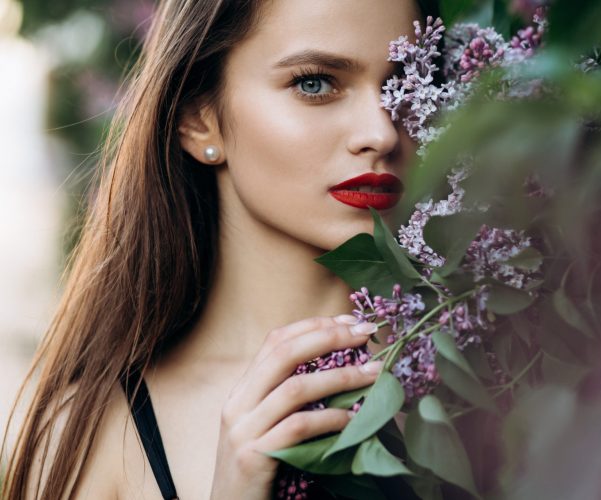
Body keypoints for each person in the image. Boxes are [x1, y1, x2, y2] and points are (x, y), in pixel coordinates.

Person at [2, 0, 431, 497]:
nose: (381, 131)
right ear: (197, 118)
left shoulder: (500, 380)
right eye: (315, 82)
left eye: (404, 83)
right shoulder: (93, 436)